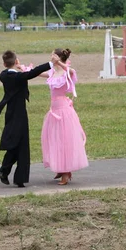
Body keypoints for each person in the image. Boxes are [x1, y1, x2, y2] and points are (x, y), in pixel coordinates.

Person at [0, 50, 56, 188]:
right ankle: (13, 174)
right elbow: (33, 73)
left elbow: (26, 74)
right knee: (22, 144)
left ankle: (9, 173)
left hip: (10, 112)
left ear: (4, 63)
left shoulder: (4, 75)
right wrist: (51, 63)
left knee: (17, 143)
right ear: (16, 61)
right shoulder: (18, 77)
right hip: (20, 114)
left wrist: (19, 68)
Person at [40, 48, 88, 185]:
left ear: (58, 57)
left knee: (64, 140)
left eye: (53, 55)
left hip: (63, 111)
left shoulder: (66, 72)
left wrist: (60, 64)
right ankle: (61, 169)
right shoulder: (52, 72)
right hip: (54, 111)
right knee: (55, 140)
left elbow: (72, 71)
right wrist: (23, 70)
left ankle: (66, 172)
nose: (51, 57)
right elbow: (39, 73)